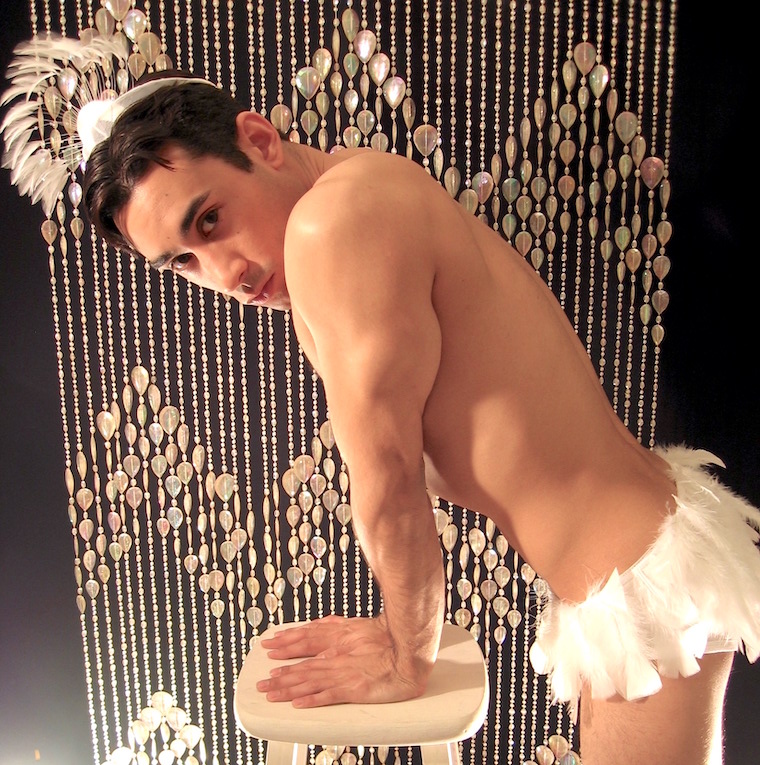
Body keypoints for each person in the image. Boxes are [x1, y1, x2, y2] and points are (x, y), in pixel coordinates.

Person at [82, 72, 760, 765]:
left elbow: (386, 478)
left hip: (638, 574)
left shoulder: (330, 225)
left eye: (209, 221)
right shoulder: (358, 180)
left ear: (259, 140)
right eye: (183, 261)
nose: (224, 272)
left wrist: (405, 656)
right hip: (639, 548)